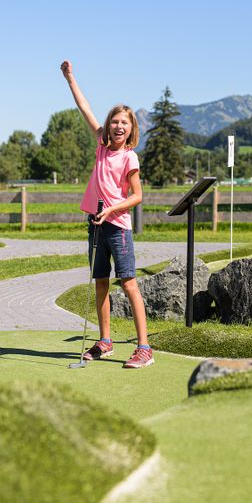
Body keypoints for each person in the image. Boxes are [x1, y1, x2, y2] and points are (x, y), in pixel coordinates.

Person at [61, 60, 153, 368]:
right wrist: (70, 78)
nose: (118, 126)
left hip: (118, 227)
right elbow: (84, 108)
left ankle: (144, 348)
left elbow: (137, 196)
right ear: (108, 126)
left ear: (131, 129)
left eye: (124, 123)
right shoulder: (101, 146)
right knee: (101, 282)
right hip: (95, 224)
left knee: (128, 284)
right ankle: (105, 341)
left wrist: (112, 208)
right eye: (114, 121)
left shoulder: (129, 157)